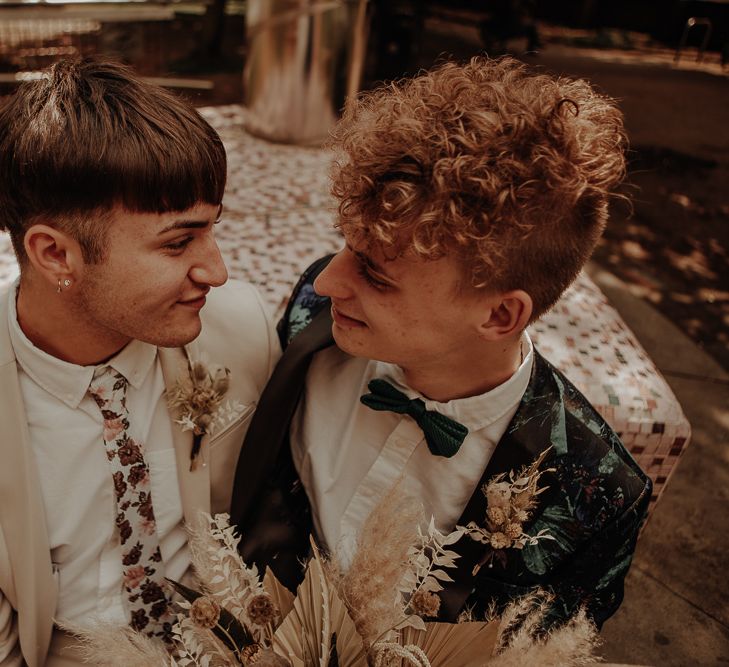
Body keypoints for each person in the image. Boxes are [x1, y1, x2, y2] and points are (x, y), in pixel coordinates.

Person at [231, 56, 651, 631]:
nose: (328, 281)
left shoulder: (598, 495)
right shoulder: (318, 304)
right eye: (344, 246)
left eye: (376, 275)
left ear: (501, 314)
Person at [0, 59, 279, 666]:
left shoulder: (240, 330)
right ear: (55, 254)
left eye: (212, 231)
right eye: (178, 243)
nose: (217, 271)